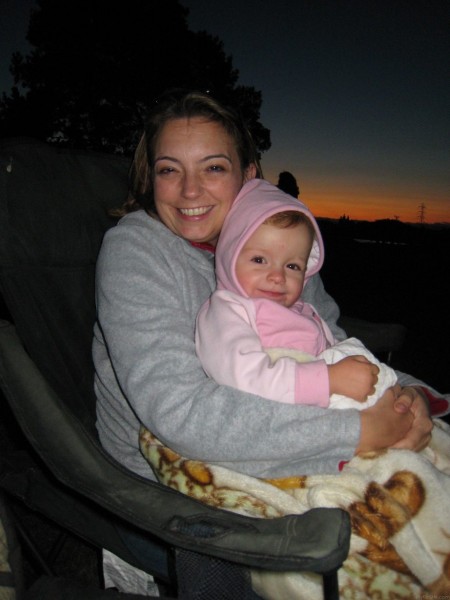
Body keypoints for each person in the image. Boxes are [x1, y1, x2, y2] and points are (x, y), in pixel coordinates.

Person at [93, 90, 435, 493]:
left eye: (214, 168)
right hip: (170, 489)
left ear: (249, 176)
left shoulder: (278, 251)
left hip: (298, 449)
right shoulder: (136, 251)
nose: (190, 190)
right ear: (151, 179)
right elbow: (181, 413)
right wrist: (355, 431)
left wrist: (407, 395)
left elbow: (334, 346)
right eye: (169, 170)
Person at [195, 178, 397, 410]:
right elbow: (243, 377)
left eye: (292, 266)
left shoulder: (304, 312)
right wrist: (329, 380)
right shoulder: (227, 309)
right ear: (229, 256)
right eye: (259, 260)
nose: (278, 277)